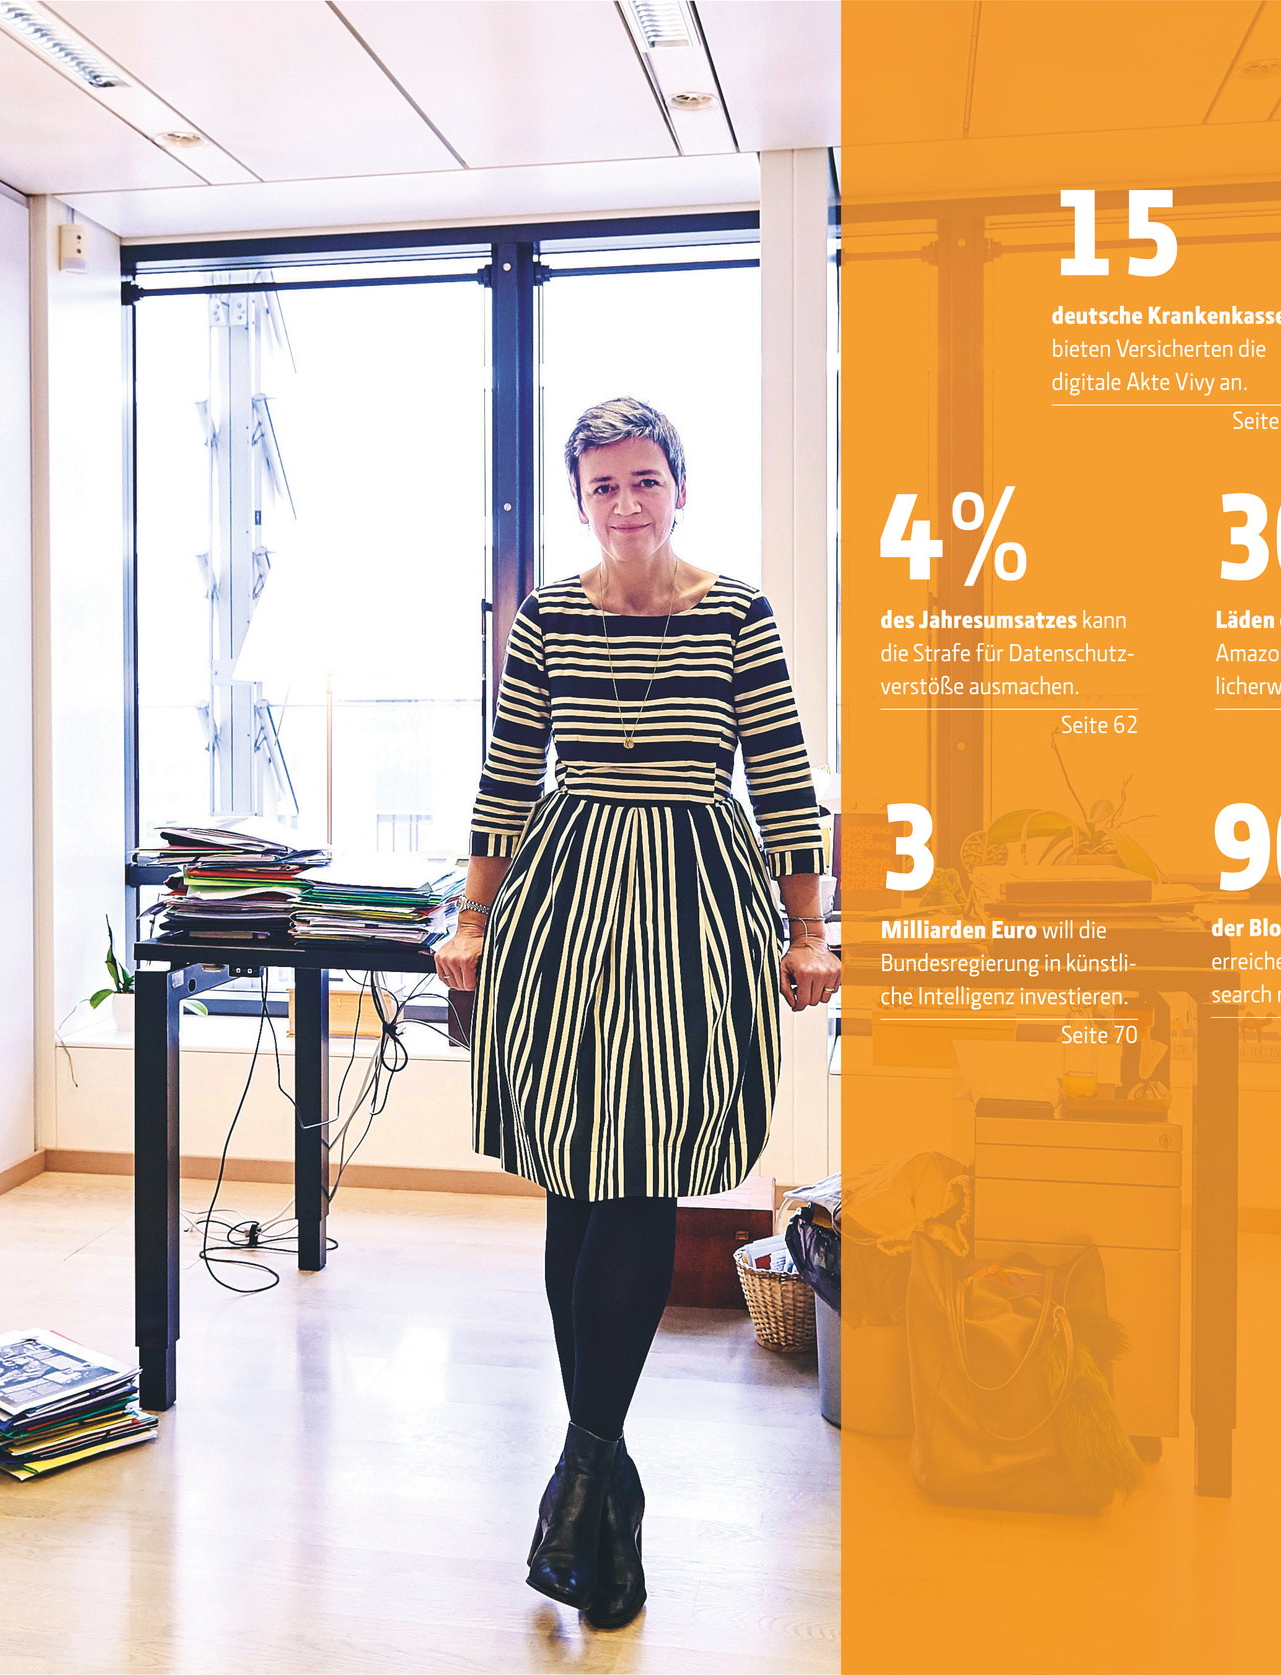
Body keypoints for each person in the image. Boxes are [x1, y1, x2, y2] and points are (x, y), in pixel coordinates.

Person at [433, 396, 837, 1630]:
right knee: (575, 1173)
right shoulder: (548, 615)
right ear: (580, 501)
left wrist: (807, 929)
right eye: (601, 484)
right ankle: (599, 1476)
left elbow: (781, 777)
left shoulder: (736, 613)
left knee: (644, 1170)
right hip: (564, 898)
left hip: (696, 900)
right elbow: (508, 772)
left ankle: (583, 1472)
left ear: (678, 488)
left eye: (643, 479)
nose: (624, 502)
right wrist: (470, 915)